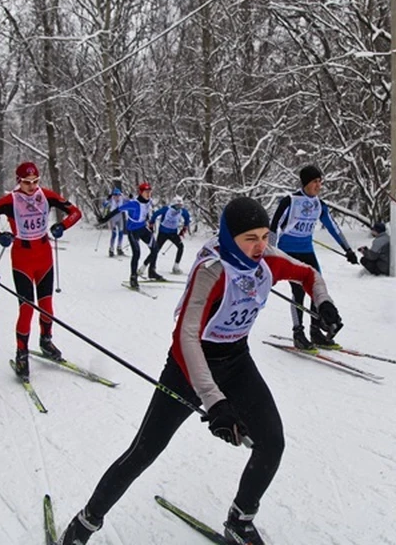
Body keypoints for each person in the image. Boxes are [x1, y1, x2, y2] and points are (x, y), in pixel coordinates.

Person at [58, 197, 343, 545]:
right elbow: (186, 338)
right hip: (188, 367)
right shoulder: (213, 271)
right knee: (144, 451)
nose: (260, 246)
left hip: (236, 361)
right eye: (249, 238)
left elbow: (310, 274)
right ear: (229, 237)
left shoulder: (267, 262)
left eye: (265, 236)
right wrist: (215, 402)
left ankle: (240, 520)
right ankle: (82, 526)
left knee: (272, 442)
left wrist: (323, 301)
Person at [0, 162, 82, 378]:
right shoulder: (10, 200)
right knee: (27, 308)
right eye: (26, 183)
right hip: (22, 258)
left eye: (35, 182)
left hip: (44, 255)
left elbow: (75, 212)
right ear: (18, 181)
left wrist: (62, 226)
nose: (31, 187)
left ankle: (46, 341)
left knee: (47, 306)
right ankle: (21, 354)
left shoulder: (47, 195)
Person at [269, 165, 358, 350]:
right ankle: (298, 332)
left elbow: (333, 227)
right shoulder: (290, 201)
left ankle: (315, 331)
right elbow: (274, 226)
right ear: (306, 183)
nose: (319, 185)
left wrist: (348, 249)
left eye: (320, 181)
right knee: (298, 292)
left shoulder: (319, 204)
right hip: (288, 252)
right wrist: (269, 253)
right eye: (315, 181)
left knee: (316, 289)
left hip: (307, 251)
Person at [98, 182, 163, 286]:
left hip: (143, 228)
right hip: (133, 231)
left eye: (149, 192)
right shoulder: (133, 204)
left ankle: (151, 271)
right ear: (141, 192)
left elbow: (146, 212)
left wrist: (149, 221)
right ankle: (133, 277)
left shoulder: (149, 201)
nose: (148, 194)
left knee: (155, 249)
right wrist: (105, 219)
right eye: (146, 192)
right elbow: (117, 210)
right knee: (137, 253)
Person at [150, 195, 191, 274]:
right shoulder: (166, 209)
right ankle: (151, 266)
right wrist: (151, 223)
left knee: (181, 247)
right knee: (156, 250)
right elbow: (156, 214)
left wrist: (184, 227)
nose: (179, 207)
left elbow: (187, 217)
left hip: (173, 233)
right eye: (177, 206)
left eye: (180, 205)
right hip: (163, 233)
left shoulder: (182, 211)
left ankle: (176, 266)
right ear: (174, 204)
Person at [101, 187, 127, 257]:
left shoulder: (122, 200)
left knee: (121, 233)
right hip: (113, 219)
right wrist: (107, 199)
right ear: (113, 196)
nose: (117, 197)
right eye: (115, 195)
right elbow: (104, 204)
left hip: (120, 217)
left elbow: (129, 201)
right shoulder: (111, 201)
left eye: (118, 195)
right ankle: (111, 249)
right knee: (114, 234)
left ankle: (119, 248)